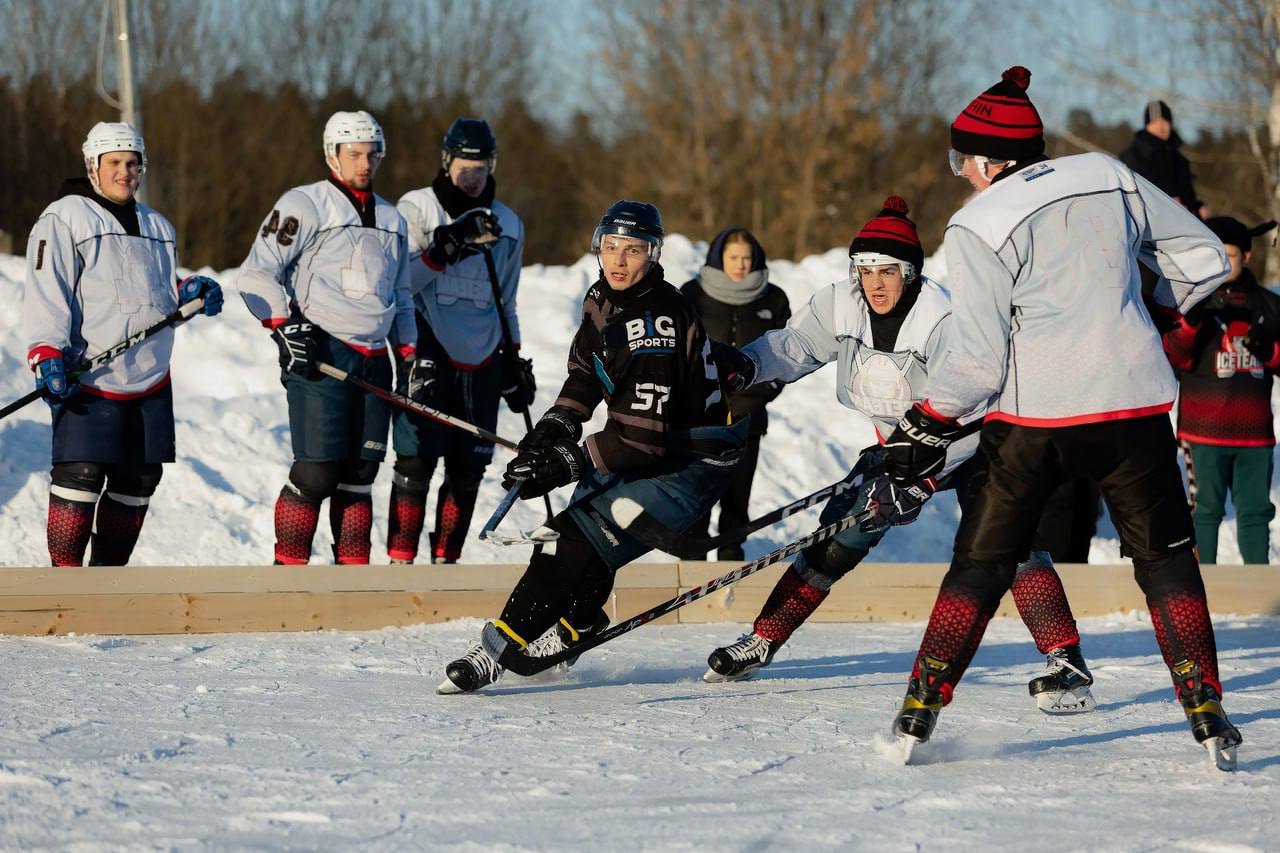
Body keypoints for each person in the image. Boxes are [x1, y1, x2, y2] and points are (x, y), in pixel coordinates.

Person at [883, 67, 1240, 764]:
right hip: (1132, 405)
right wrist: (1152, 307)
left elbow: (980, 362)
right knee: (1165, 559)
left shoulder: (976, 223)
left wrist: (924, 421)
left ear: (988, 160)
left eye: (964, 163)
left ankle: (918, 710)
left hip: (1035, 420)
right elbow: (1203, 258)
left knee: (983, 561)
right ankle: (1205, 707)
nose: (964, 177)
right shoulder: (1109, 172)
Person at [703, 196, 1095, 714]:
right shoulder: (841, 304)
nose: (876, 283)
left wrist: (923, 480)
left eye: (889, 271)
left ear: (910, 273)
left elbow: (972, 404)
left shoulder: (944, 318)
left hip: (975, 443)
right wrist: (744, 367)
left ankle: (1066, 658)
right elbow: (794, 345)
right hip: (899, 446)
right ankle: (763, 639)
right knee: (837, 537)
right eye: (865, 270)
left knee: (1008, 540)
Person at [438, 200, 746, 694]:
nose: (619, 260)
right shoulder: (605, 297)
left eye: (633, 249)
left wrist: (569, 460)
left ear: (654, 254)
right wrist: (558, 424)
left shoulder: (654, 326)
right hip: (649, 446)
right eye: (610, 247)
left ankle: (495, 649)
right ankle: (578, 627)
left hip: (687, 463)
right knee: (587, 532)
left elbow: (642, 439)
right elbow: (587, 372)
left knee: (573, 536)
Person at [23, 121, 223, 567]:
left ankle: (108, 582)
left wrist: (186, 292)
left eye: (132, 164)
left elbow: (152, 292)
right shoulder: (64, 217)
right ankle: (67, 583)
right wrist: (46, 349)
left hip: (149, 376)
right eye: (114, 163)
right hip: (90, 374)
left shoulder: (158, 225)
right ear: (93, 165)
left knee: (138, 480)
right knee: (82, 474)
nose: (124, 172)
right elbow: (46, 287)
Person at [238, 110, 416, 565]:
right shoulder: (304, 204)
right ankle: (289, 570)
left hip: (374, 356)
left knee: (360, 474)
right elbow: (256, 274)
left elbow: (401, 293)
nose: (365, 163)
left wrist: (409, 353)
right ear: (331, 154)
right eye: (354, 153)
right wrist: (284, 326)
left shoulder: (393, 219)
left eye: (373, 154)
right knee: (318, 471)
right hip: (321, 350)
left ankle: (352, 576)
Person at [389, 117, 532, 564]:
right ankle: (400, 562)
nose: (472, 178)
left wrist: (514, 357)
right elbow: (399, 285)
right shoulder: (416, 209)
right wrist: (441, 249)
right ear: (446, 162)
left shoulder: (508, 224)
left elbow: (506, 299)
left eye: (481, 168)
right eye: (464, 168)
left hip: (484, 352)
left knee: (469, 467)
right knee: (416, 461)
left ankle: (445, 563)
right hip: (429, 342)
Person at [1163, 216, 1280, 564]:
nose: (1223, 264)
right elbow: (1174, 357)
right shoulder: (1193, 301)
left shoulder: (1269, 306)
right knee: (1206, 511)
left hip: (1254, 434)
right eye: (1216, 255)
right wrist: (1192, 324)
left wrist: (1270, 351)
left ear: (1246, 254)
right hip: (1203, 431)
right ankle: (1206, 586)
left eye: (1229, 255)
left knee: (1256, 512)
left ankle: (1258, 583)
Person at [680, 228, 790, 560]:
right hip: (699, 417)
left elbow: (786, 351)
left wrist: (766, 389)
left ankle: (731, 559)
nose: (741, 264)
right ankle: (692, 561)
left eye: (747, 258)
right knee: (697, 493)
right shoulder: (692, 294)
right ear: (719, 259)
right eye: (734, 258)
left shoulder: (773, 299)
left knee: (737, 496)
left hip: (749, 414)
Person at [1119, 99, 1209, 219]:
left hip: (1184, 220)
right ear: (1147, 125)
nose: (1161, 127)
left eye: (1165, 121)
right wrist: (1167, 202)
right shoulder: (1131, 157)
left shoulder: (1180, 160)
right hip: (1149, 222)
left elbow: (1188, 196)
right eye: (1155, 122)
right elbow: (1129, 197)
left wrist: (1198, 207)